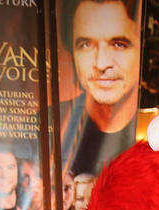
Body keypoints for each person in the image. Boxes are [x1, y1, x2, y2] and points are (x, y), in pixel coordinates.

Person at [59, 0, 142, 176]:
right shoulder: (48, 126)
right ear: (72, 54)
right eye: (86, 45)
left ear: (141, 50)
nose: (102, 63)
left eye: (119, 44)